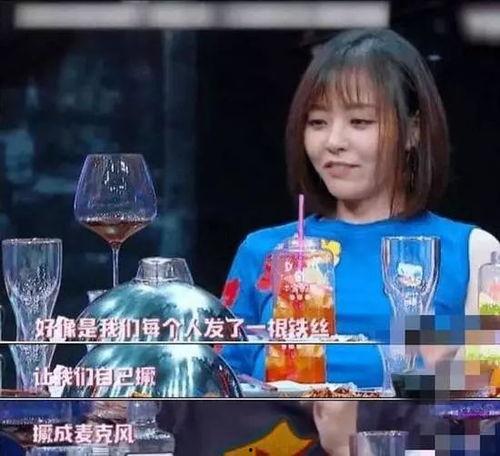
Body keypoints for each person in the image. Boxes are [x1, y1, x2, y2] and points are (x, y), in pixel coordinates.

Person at [220, 27, 500, 388]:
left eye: (360, 122)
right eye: (317, 122)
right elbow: (217, 392)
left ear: (413, 131)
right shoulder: (262, 252)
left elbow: (487, 393)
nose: (333, 141)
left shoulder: (476, 254)